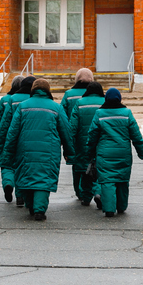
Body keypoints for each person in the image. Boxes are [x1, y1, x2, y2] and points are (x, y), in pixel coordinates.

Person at [1, 78, 74, 221]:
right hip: (49, 151)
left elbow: (12, 132)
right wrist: (69, 152)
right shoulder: (56, 108)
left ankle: (31, 206)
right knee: (43, 178)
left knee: (27, 176)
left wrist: (8, 153)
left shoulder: (22, 107)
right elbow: (66, 131)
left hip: (25, 150)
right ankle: (40, 210)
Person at [86, 88, 143, 217]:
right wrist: (141, 153)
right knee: (122, 179)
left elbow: (92, 136)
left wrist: (89, 152)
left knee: (107, 181)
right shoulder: (127, 113)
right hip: (123, 153)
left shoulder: (99, 114)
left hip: (105, 154)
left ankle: (109, 209)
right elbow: (136, 135)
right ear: (119, 99)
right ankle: (121, 206)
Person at [0, 76, 36, 207]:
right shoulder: (32, 99)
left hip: (8, 137)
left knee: (7, 165)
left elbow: (0, 122)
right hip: (28, 138)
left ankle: (8, 183)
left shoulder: (7, 100)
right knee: (22, 166)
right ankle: (20, 196)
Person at [69, 82, 105, 208]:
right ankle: (98, 192)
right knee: (100, 169)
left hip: (82, 142)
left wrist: (70, 142)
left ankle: (85, 197)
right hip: (101, 142)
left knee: (85, 169)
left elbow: (73, 126)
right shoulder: (105, 102)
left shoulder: (79, 103)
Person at [62, 68, 94, 199]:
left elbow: (62, 116)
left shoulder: (69, 94)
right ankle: (90, 191)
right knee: (93, 163)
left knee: (77, 165)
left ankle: (79, 192)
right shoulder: (95, 94)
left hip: (74, 135)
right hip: (93, 135)